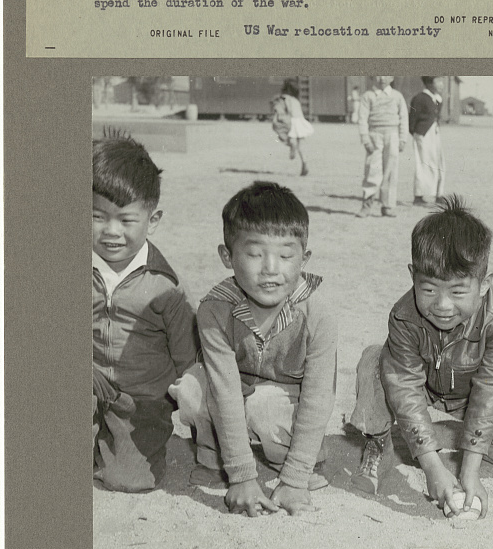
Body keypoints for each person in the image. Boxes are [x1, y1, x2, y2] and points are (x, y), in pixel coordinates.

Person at [349, 196, 493, 517]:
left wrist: (470, 470)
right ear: (412, 276)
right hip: (425, 394)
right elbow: (404, 388)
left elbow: (491, 390)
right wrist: (432, 468)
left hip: (471, 398)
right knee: (375, 360)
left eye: (458, 292)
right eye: (429, 290)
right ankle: (379, 441)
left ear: (484, 284)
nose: (443, 306)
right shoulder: (403, 315)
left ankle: (468, 439)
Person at [169, 181, 338, 518]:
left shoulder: (318, 313)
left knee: (263, 409)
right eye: (255, 254)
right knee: (190, 388)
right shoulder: (214, 310)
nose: (271, 268)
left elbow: (319, 398)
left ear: (303, 258)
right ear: (227, 256)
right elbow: (223, 389)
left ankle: (293, 465)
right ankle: (213, 457)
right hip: (234, 388)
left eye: (286, 255)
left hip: (285, 399)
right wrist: (242, 475)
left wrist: (295, 479)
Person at [92, 130, 198, 493]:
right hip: (89, 386)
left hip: (141, 402)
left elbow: (189, 358)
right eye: (97, 216)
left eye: (126, 219)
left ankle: (115, 444)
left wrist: (196, 405)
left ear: (152, 221)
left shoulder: (166, 287)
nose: (110, 232)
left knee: (129, 480)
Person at [357, 75, 409, 218]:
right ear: (373, 77)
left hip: (392, 135)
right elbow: (362, 119)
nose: (382, 78)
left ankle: (388, 206)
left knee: (391, 171)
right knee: (372, 169)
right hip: (375, 135)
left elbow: (404, 118)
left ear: (392, 77)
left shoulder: (397, 96)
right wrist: (365, 139)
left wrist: (403, 139)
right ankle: (367, 205)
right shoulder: (368, 96)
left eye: (386, 75)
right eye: (378, 74)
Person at [409, 76, 446, 205]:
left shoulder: (437, 98)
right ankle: (418, 195)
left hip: (434, 132)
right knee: (423, 162)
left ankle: (438, 193)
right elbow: (412, 119)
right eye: (438, 81)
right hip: (423, 134)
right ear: (429, 83)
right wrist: (417, 133)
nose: (442, 84)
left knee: (439, 162)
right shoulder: (420, 98)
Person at [271, 79, 314, 177]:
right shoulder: (296, 100)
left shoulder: (285, 98)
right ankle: (304, 163)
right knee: (301, 145)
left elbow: (282, 111)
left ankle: (292, 147)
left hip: (292, 121)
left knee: (290, 138)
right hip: (301, 121)